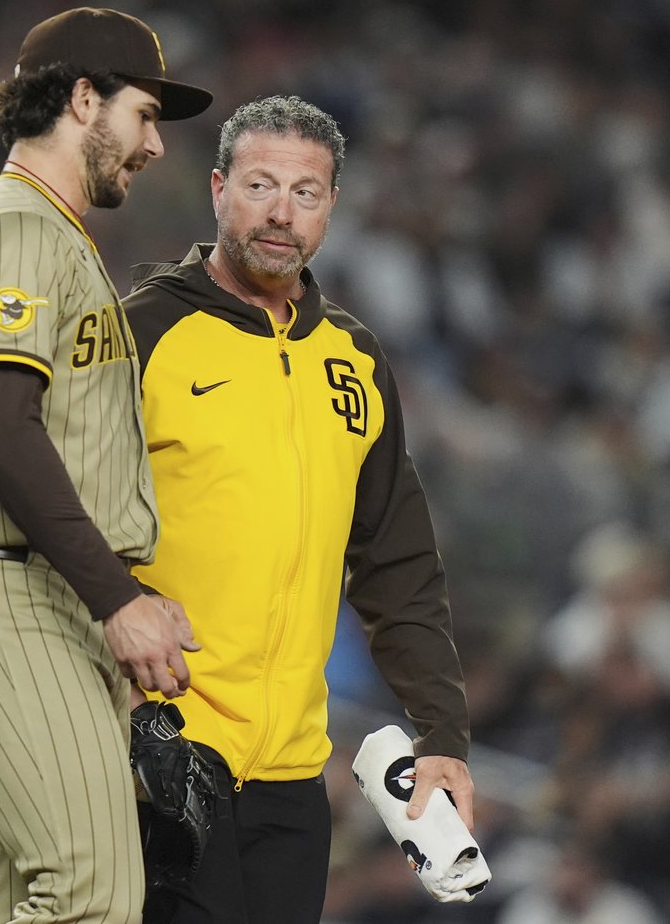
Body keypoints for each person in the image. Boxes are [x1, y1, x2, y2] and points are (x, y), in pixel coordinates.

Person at [123, 95, 475, 924]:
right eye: (259, 185)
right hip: (164, 752)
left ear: (332, 208)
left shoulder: (354, 358)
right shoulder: (140, 333)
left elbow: (397, 560)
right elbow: (60, 515)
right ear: (217, 190)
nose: (281, 213)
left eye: (306, 192)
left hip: (292, 773)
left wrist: (444, 734)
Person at [0, 7, 212, 924]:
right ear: (83, 99)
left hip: (41, 598)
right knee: (93, 898)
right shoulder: (18, 228)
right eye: (145, 114)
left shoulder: (49, 233)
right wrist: (119, 597)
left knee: (23, 904)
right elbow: (1, 429)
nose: (154, 143)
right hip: (7, 597)